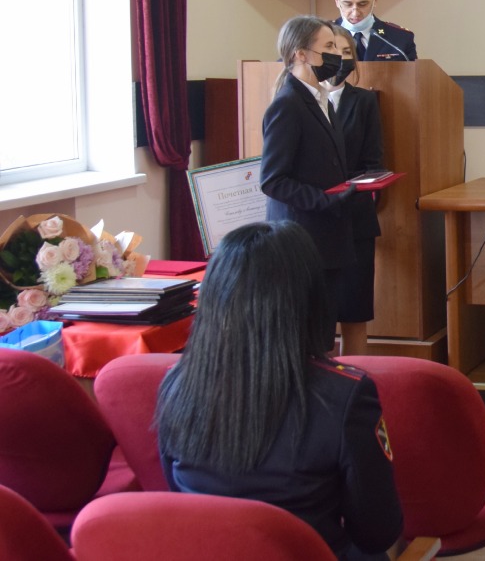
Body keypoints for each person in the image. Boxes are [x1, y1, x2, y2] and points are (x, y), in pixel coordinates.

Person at [155, 221, 403, 561]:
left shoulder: (176, 384)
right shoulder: (345, 396)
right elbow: (377, 531)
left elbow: (176, 491)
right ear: (310, 299)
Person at [260, 15, 357, 341]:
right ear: (300, 54)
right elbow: (273, 180)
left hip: (326, 236)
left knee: (323, 333)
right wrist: (326, 200)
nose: (336, 55)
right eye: (328, 46)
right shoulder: (288, 104)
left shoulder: (321, 100)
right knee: (305, 337)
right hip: (301, 238)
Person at [328, 25, 386, 356]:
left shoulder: (363, 101)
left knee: (354, 309)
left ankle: (355, 376)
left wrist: (353, 192)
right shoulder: (298, 100)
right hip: (314, 215)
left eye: (347, 52)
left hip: (354, 217)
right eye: (333, 50)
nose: (340, 59)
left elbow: (373, 162)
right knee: (317, 314)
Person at [333, 0, 417, 61]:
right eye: (347, 4)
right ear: (337, 1)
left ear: (375, 0)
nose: (355, 13)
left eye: (363, 4)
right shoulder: (324, 36)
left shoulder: (401, 38)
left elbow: (413, 70)